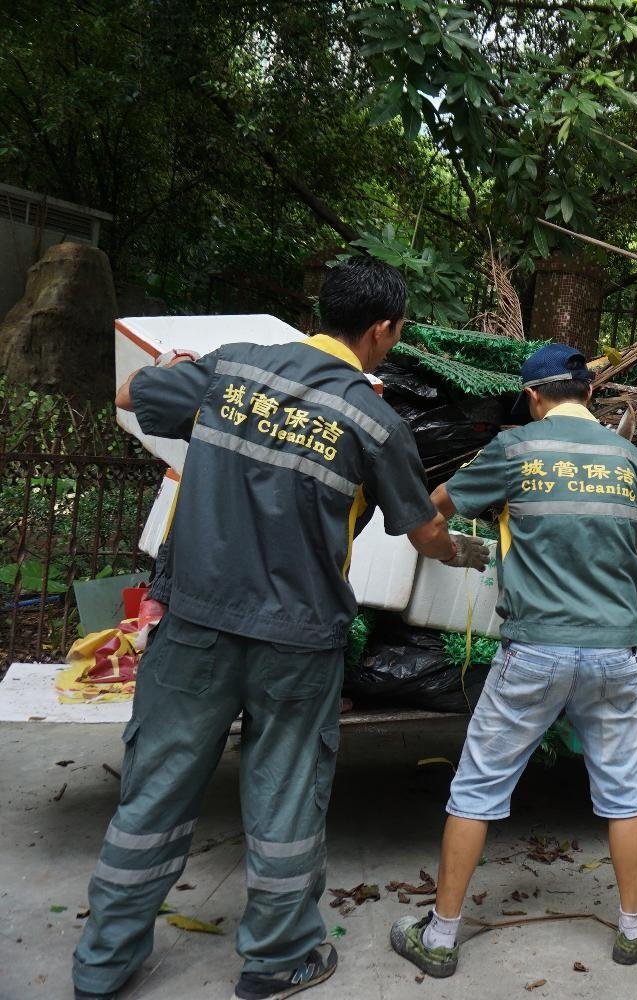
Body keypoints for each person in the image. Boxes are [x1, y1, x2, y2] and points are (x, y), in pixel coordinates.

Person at [74, 256, 488, 1000]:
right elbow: (424, 533)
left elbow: (131, 392)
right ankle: (277, 960)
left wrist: (173, 364)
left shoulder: (234, 370)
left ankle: (103, 963)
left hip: (195, 623)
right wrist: (471, 553)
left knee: (157, 790)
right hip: (297, 641)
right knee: (286, 793)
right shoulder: (374, 418)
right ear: (382, 329)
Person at [389, 343, 637, 978]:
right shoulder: (630, 459)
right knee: (625, 795)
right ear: (591, 395)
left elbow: (433, 507)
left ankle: (440, 936)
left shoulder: (516, 450)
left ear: (535, 398)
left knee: (476, 789)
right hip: (615, 654)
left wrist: (448, 551)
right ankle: (630, 928)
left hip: (534, 653)